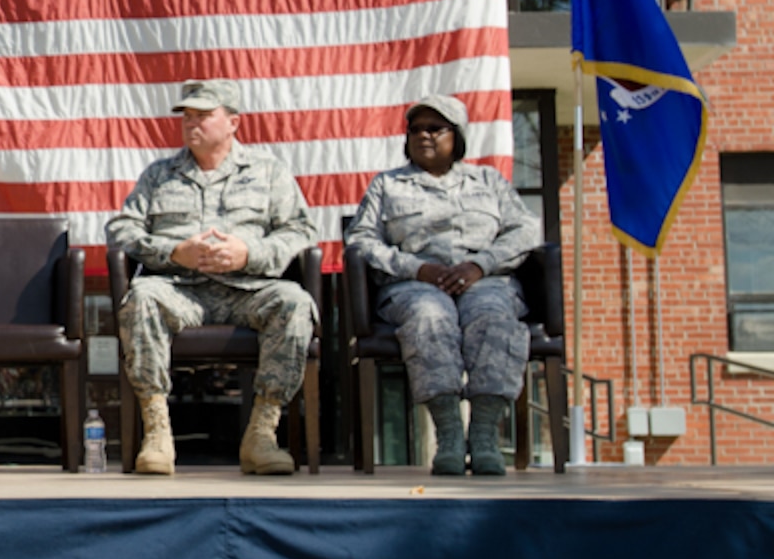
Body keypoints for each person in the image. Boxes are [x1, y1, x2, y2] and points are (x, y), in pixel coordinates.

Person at [107, 78, 318, 476]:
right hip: (181, 289)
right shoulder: (160, 174)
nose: (191, 124)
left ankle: (262, 434)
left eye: (203, 116)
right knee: (142, 296)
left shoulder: (268, 172)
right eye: (187, 116)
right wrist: (173, 251)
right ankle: (157, 432)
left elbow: (301, 231)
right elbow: (121, 230)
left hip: (248, 289)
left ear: (233, 122)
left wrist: (248, 253)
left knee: (295, 302)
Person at [345, 94, 542, 477]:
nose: (424, 136)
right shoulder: (388, 186)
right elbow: (361, 241)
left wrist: (480, 265)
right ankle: (449, 435)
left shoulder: (488, 181)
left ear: (457, 137)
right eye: (416, 129)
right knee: (429, 317)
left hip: (484, 281)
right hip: (414, 286)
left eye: (435, 128)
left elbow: (525, 230)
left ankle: (484, 435)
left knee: (494, 317)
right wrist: (417, 269)